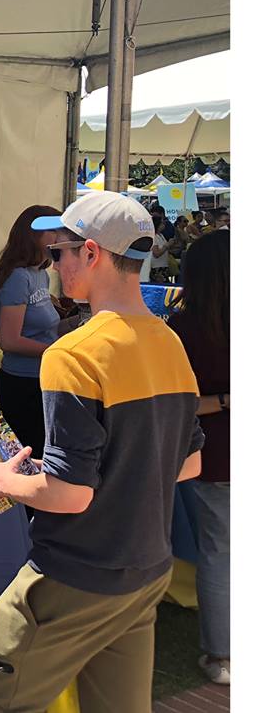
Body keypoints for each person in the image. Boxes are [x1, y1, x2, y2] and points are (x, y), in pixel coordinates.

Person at [0, 191, 203, 713]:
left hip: (75, 576)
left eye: (59, 252)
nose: (54, 264)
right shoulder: (169, 342)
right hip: (144, 571)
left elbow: (70, 495)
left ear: (91, 253)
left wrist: (6, 479)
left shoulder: (72, 353)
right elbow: (189, 463)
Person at [168, 231, 230, 685]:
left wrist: (223, 401)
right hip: (216, 453)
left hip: (214, 455)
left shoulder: (182, 328)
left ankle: (222, 654)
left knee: (220, 553)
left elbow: (179, 402)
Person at [0, 205, 62, 462]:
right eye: (54, 230)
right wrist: (58, 351)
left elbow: (45, 326)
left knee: (44, 458)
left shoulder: (40, 275)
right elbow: (9, 340)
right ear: (33, 235)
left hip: (42, 380)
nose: (61, 236)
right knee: (30, 459)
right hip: (22, 384)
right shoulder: (17, 278)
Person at [149, 215, 171, 283]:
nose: (163, 225)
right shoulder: (153, 237)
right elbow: (156, 253)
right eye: (162, 223)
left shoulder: (161, 235)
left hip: (163, 265)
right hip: (157, 267)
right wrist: (166, 246)